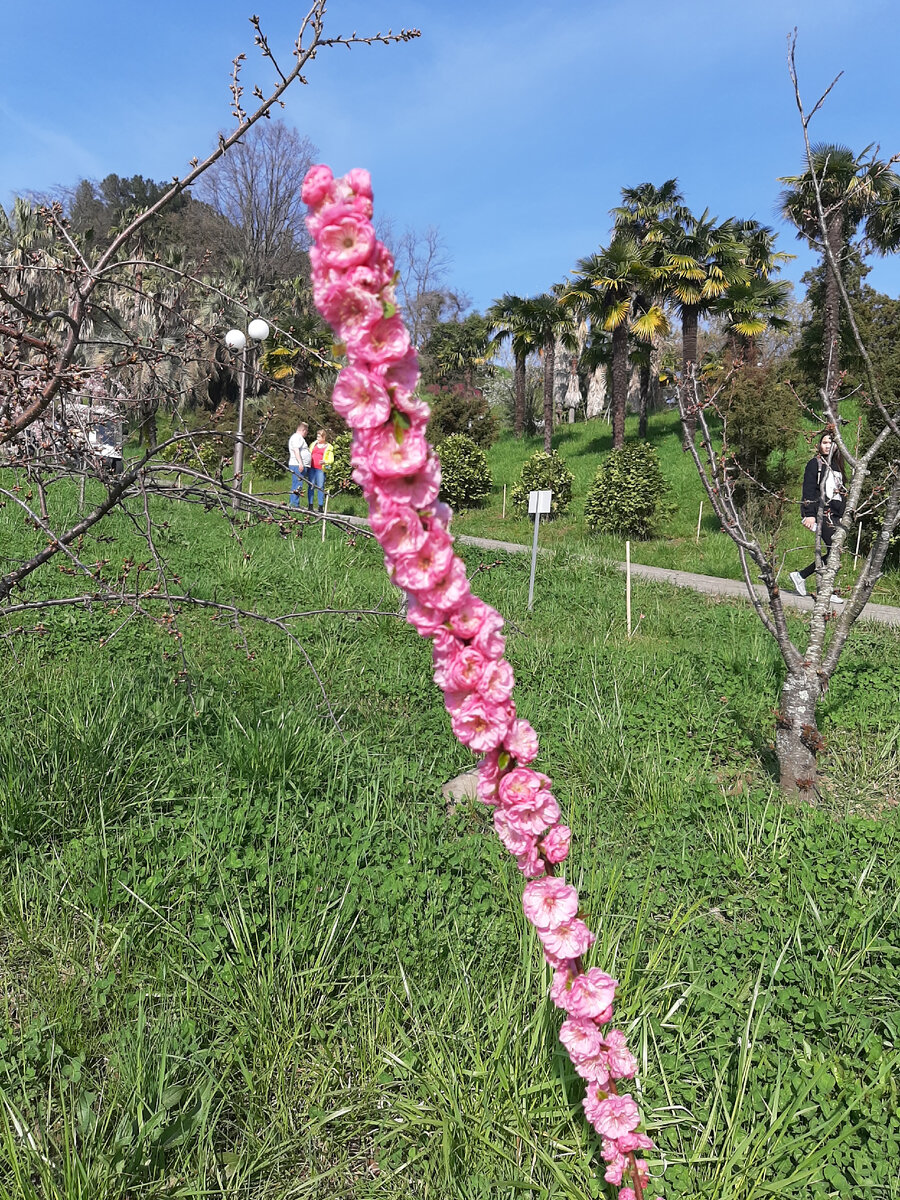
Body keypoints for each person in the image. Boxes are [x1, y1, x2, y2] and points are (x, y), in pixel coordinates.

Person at [789, 430, 847, 602]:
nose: (828, 446)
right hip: (822, 514)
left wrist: (845, 515)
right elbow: (808, 489)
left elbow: (841, 493)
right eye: (824, 443)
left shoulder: (838, 466)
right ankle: (822, 589)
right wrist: (809, 514)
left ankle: (804, 577)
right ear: (819, 445)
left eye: (831, 443)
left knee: (834, 553)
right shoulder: (815, 464)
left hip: (836, 516)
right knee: (833, 550)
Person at [308, 428, 333, 513]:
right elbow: (309, 452)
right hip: (312, 468)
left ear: (324, 437)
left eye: (319, 436)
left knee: (320, 487)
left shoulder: (328, 447)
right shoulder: (313, 444)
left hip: (320, 469)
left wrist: (325, 461)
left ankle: (320, 506)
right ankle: (310, 505)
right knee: (311, 485)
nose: (317, 438)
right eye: (317, 436)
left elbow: (331, 459)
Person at [287, 421, 311, 509]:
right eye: (307, 431)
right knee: (297, 484)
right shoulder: (297, 438)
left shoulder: (298, 438)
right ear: (304, 430)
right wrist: (300, 463)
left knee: (297, 484)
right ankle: (294, 504)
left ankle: (294, 503)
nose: (307, 433)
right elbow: (296, 450)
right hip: (297, 465)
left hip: (299, 464)